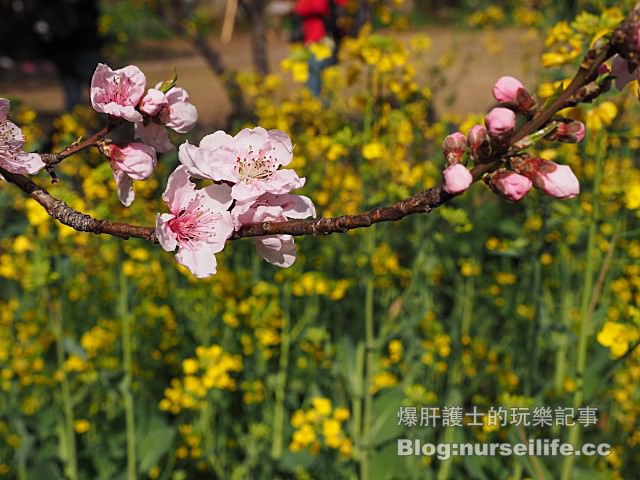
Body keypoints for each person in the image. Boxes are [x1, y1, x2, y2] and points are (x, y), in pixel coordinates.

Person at [293, 0, 347, 96]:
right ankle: (315, 103)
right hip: (309, 40)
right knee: (313, 72)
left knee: (316, 69)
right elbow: (300, 9)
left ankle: (317, 103)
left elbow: (316, 7)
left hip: (325, 40)